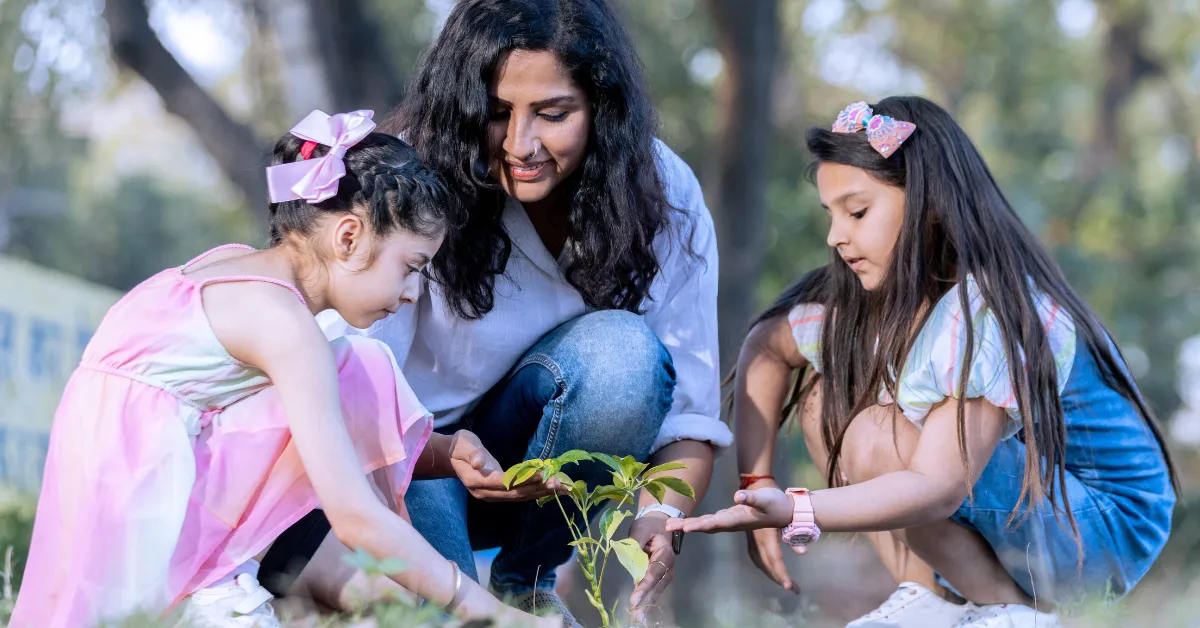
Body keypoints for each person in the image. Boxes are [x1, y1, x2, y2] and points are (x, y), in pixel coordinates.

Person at [266, 0, 731, 624]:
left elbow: (690, 417)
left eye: (553, 114)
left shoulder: (662, 194)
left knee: (623, 355)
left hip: (536, 481)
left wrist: (660, 517)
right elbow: (349, 392)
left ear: (602, 108)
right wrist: (441, 457)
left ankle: (529, 584)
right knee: (447, 613)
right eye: (494, 114)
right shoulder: (408, 180)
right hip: (405, 462)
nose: (521, 145)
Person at [11, 109, 558, 628]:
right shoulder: (284, 325)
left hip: (138, 467)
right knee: (353, 364)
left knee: (357, 363)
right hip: (139, 504)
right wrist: (488, 611)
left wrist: (442, 448)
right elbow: (355, 516)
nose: (414, 294)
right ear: (348, 238)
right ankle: (215, 588)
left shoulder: (236, 269)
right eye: (411, 268)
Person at [669, 97, 1177, 628]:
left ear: (928, 203)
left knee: (873, 433)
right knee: (824, 396)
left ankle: (1009, 613)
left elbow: (938, 485)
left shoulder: (987, 308)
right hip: (1036, 512)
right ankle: (926, 596)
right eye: (832, 214)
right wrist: (756, 485)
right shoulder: (873, 302)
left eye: (858, 211)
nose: (835, 236)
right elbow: (768, 346)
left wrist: (797, 509)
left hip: (1101, 529)